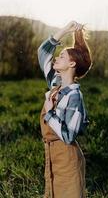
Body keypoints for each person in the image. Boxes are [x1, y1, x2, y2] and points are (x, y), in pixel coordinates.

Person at [38, 21, 92, 198]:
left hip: (68, 160)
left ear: (72, 64)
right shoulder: (56, 83)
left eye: (61, 56)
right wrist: (65, 30)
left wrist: (50, 112)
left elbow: (69, 136)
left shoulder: (75, 97)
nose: (56, 58)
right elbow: (43, 52)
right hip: (52, 155)